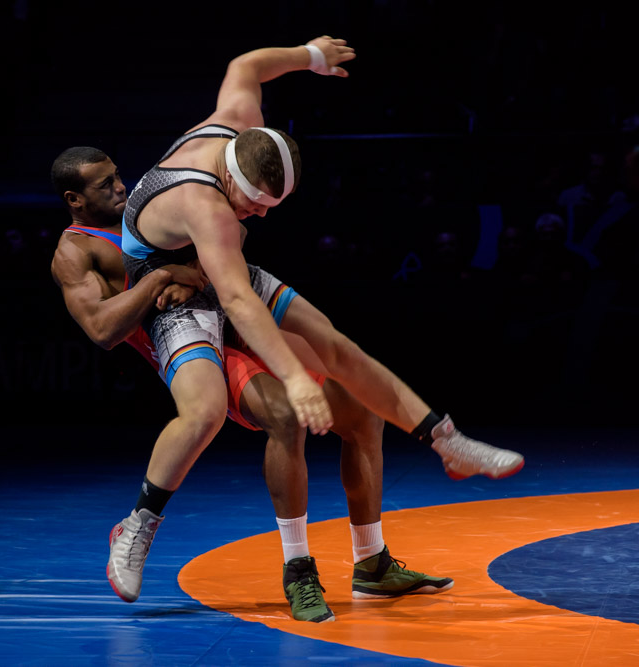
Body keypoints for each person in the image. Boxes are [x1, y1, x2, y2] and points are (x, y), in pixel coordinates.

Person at [113, 37, 524, 611]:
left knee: (333, 343)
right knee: (204, 409)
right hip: (171, 292)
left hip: (215, 267)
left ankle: (446, 441)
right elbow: (238, 301)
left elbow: (245, 65)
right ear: (231, 179)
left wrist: (309, 56)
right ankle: (138, 522)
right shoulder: (205, 206)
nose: (260, 214)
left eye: (270, 205)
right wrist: (294, 378)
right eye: (254, 203)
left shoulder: (238, 124)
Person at [51, 147, 454, 622]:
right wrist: (161, 276)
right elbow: (102, 330)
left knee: (361, 411)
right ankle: (288, 569)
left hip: (235, 315)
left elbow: (232, 225)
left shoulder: (148, 203)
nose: (120, 186)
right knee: (273, 416)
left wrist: (197, 270)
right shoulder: (76, 252)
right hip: (194, 338)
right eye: (105, 184)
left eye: (117, 175)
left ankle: (372, 563)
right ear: (74, 200)